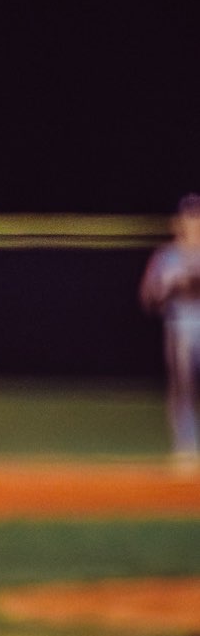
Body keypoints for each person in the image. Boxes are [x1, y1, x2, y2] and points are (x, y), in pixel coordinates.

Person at [140, 192, 200, 465]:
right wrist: (171, 288)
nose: (194, 224)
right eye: (190, 218)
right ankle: (186, 448)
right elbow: (148, 298)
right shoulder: (167, 256)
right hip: (181, 329)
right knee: (182, 388)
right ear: (180, 222)